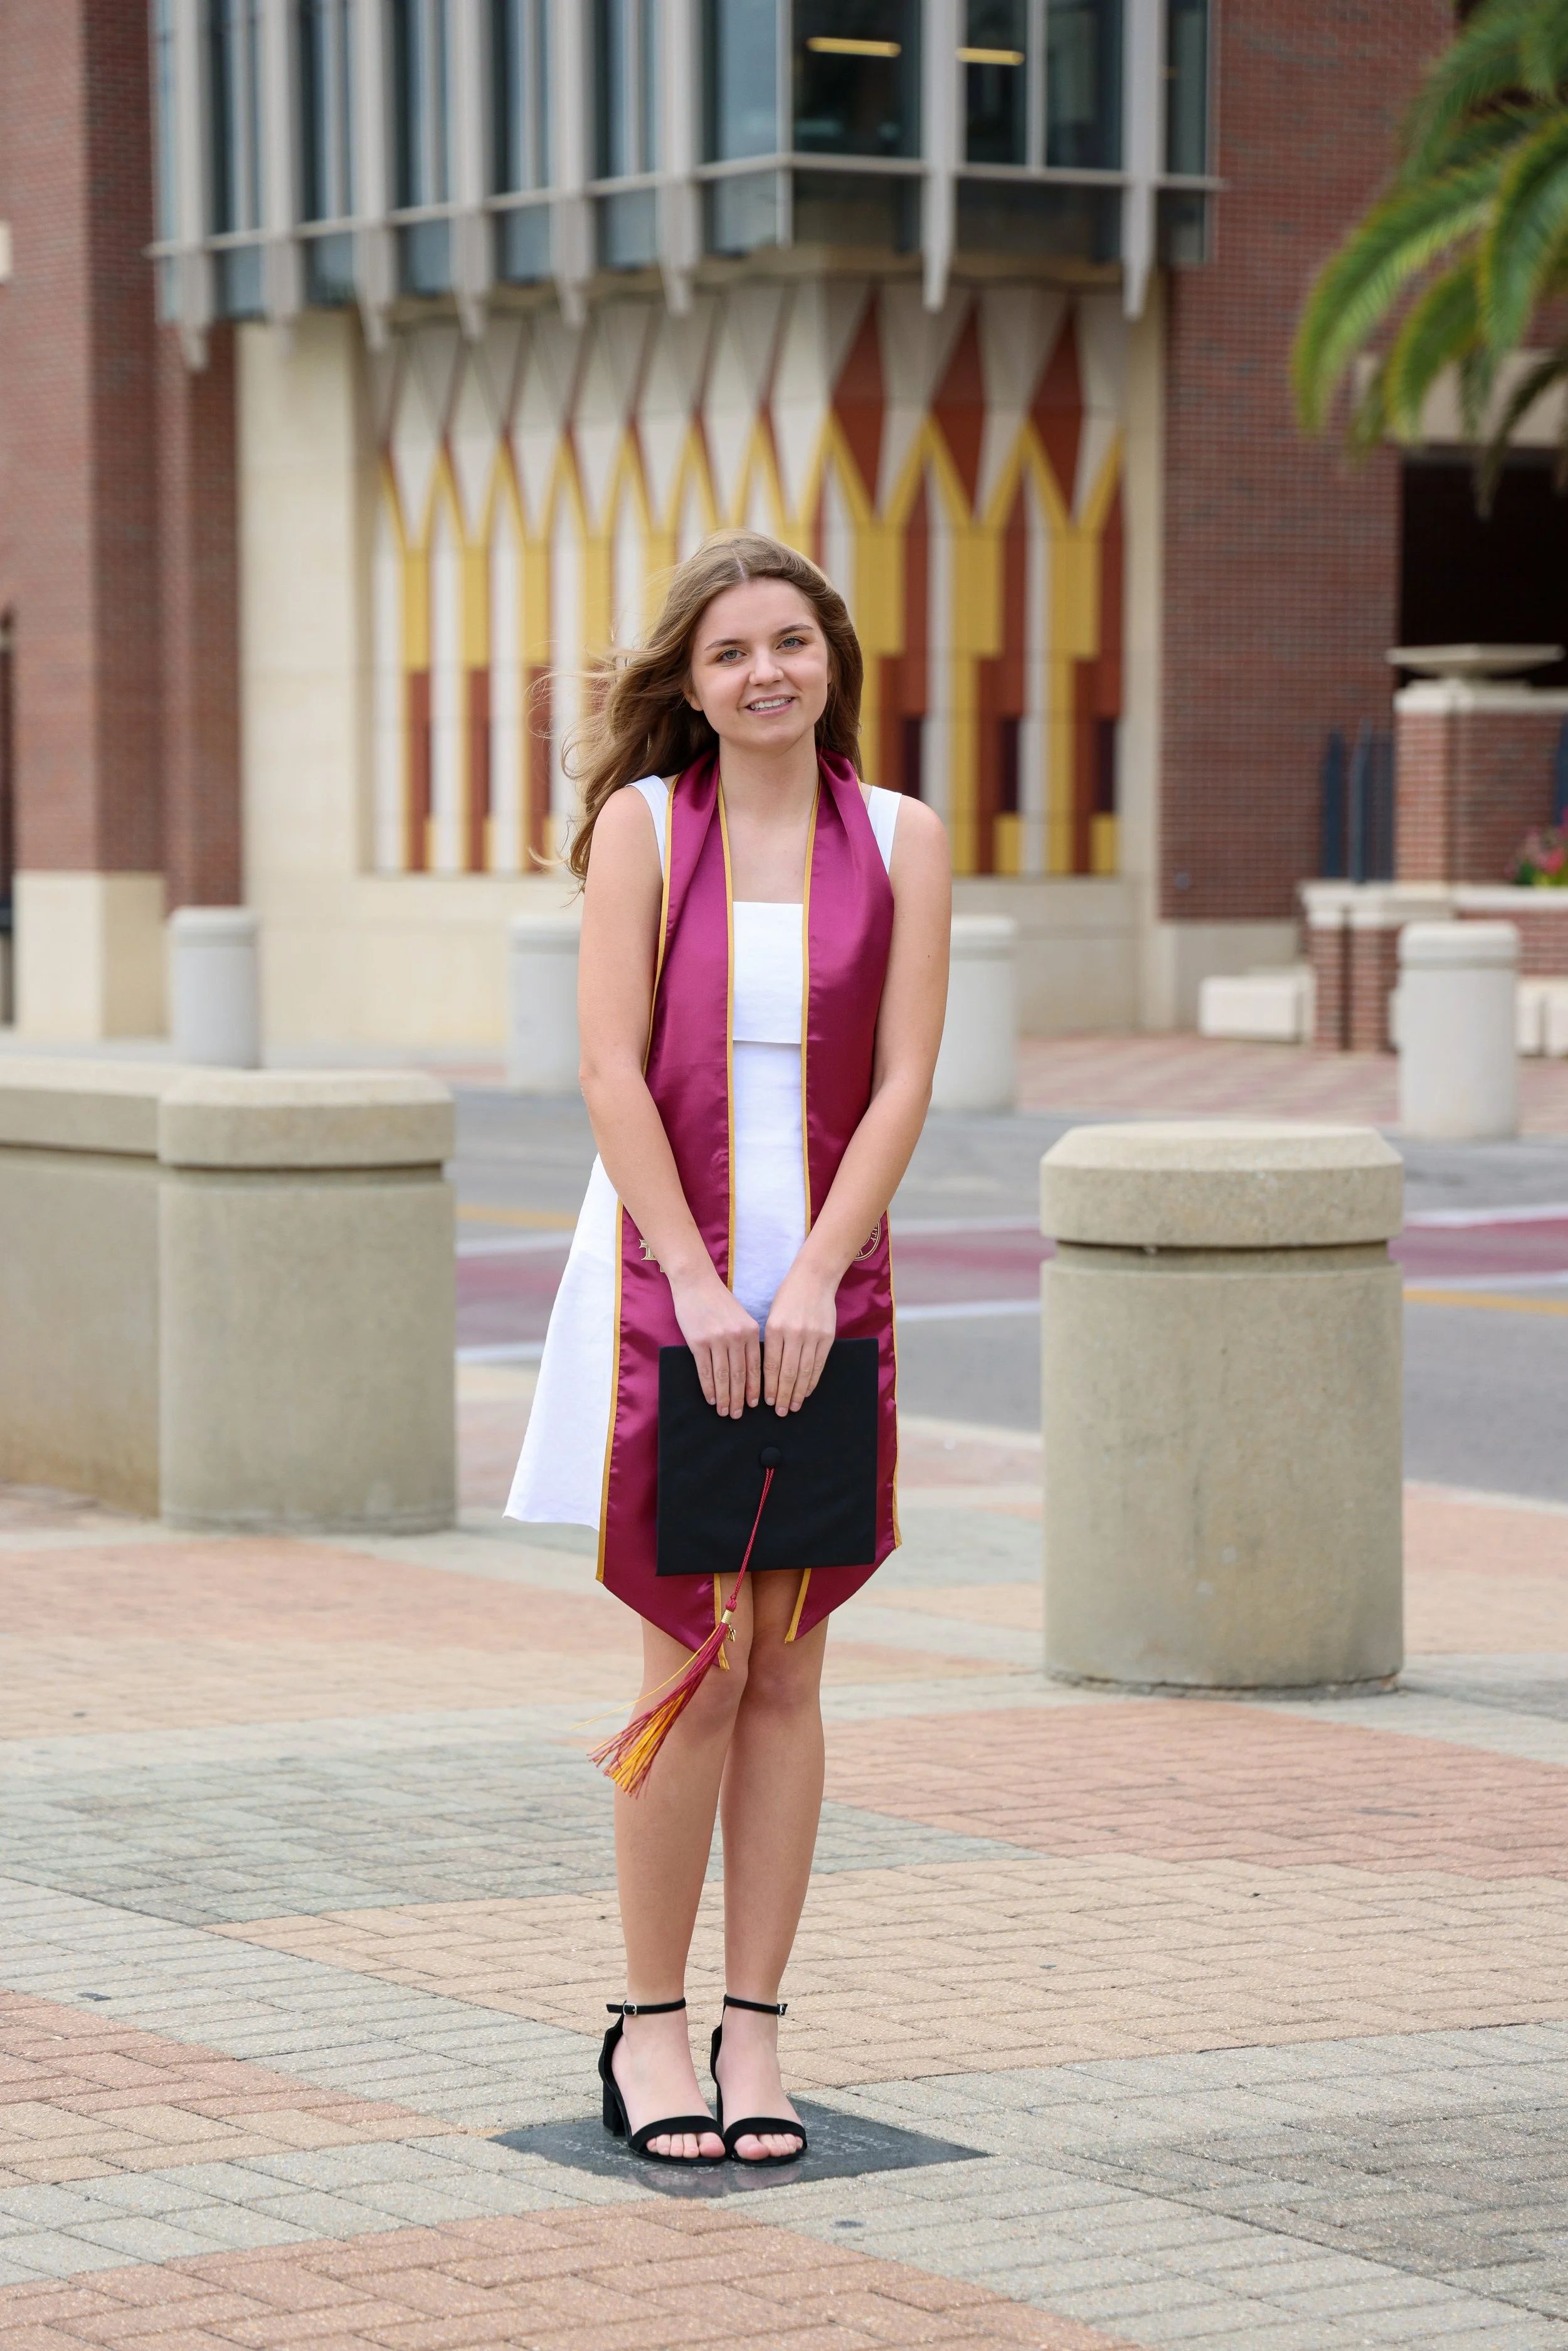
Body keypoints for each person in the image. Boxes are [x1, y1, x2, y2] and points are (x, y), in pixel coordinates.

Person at [506, 531, 950, 2165]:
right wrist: (696, 1281)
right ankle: (646, 2025)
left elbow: (903, 1077)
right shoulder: (643, 830)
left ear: (830, 655)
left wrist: (818, 1271)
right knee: (692, 1663)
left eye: (788, 640)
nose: (763, 670)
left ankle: (755, 2025)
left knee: (788, 1658)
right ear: (688, 686)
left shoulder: (903, 837)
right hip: (661, 1275)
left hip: (828, 1286)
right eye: (726, 650)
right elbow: (611, 1072)